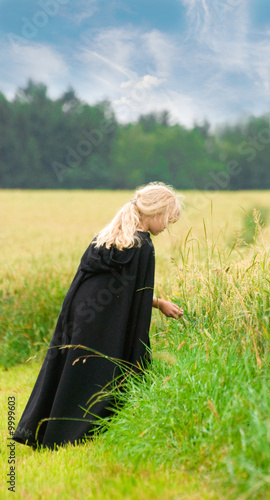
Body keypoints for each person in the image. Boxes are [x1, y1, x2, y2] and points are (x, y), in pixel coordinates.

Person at [13, 182, 184, 450]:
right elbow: (135, 292)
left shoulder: (107, 238)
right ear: (156, 213)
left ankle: (42, 432)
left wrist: (158, 302)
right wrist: (159, 304)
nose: (167, 227)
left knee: (69, 369)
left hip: (79, 313)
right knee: (97, 370)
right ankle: (75, 433)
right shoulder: (143, 247)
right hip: (105, 323)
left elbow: (118, 288)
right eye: (168, 220)